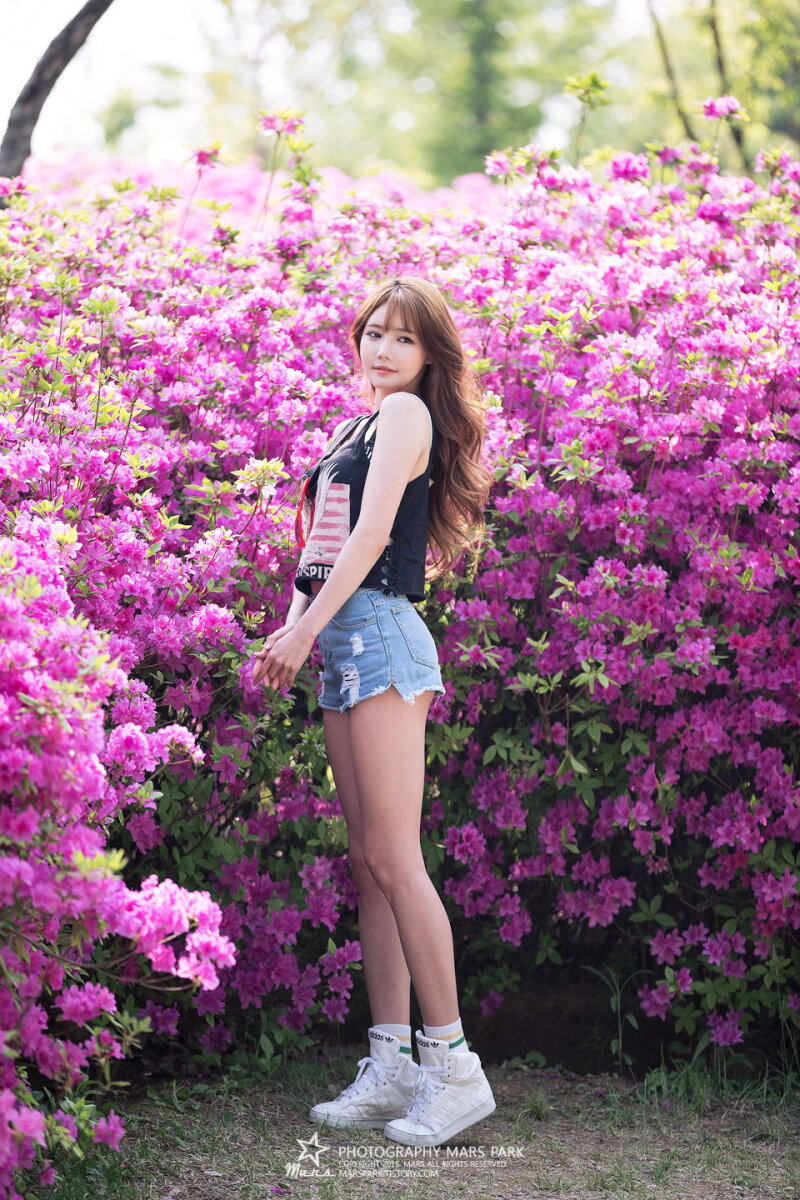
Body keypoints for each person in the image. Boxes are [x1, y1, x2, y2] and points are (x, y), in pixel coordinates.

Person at [252, 276, 494, 1148]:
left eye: (404, 338)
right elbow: (319, 550)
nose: (383, 350)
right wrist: (293, 628)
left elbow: (370, 538)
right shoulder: (352, 429)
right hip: (341, 647)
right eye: (374, 334)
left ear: (430, 356)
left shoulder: (405, 416)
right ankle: (390, 1064)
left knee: (396, 858)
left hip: (384, 640)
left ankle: (454, 1069)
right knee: (366, 864)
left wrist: (303, 630)